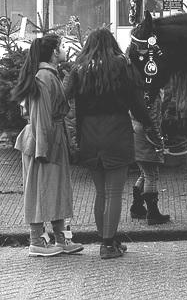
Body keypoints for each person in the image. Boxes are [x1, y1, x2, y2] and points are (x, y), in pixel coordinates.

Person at [64, 28, 157, 260]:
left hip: (89, 134)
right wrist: (150, 126)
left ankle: (109, 239)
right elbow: (136, 103)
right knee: (115, 192)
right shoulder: (122, 66)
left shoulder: (79, 68)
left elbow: (63, 97)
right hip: (116, 132)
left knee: (100, 193)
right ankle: (108, 244)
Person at [10, 34, 83, 257]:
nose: (64, 49)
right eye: (61, 46)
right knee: (41, 190)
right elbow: (40, 115)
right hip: (45, 142)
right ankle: (37, 241)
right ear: (53, 52)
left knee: (56, 189)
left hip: (51, 139)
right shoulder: (44, 77)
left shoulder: (48, 75)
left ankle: (60, 238)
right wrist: (43, 147)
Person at [129, 90, 170, 225]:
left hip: (136, 131)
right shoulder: (152, 95)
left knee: (144, 173)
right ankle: (153, 213)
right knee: (151, 175)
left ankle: (137, 207)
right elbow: (153, 121)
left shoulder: (138, 92)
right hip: (146, 136)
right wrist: (159, 141)